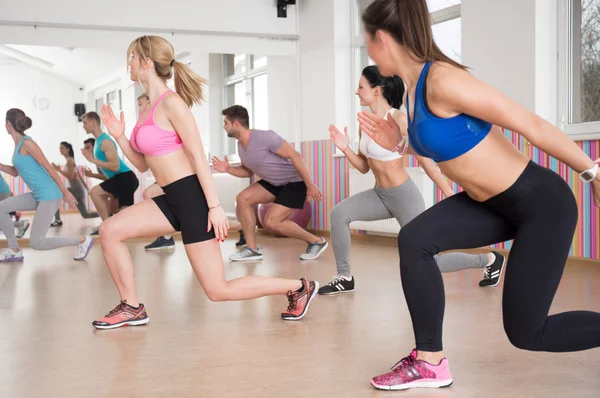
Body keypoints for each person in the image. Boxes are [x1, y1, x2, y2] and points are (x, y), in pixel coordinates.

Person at [357, 0, 600, 391]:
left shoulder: (443, 80)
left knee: (527, 333)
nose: (367, 49)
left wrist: (592, 171)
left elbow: (529, 123)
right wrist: (400, 142)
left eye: (367, 40)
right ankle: (430, 361)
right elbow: (452, 145)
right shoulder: (413, 90)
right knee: (415, 238)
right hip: (492, 203)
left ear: (382, 38)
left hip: (540, 204)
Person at [92, 35, 319, 329]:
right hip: (170, 197)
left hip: (192, 198)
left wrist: (213, 207)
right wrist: (120, 135)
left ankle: (298, 287)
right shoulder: (147, 107)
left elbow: (199, 157)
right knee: (109, 230)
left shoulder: (172, 104)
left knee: (217, 290)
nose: (129, 65)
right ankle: (131, 307)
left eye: (132, 59)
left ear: (146, 62)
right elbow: (142, 164)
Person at [319, 65, 503, 295]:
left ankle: (488, 260)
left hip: (404, 196)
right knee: (338, 214)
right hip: (379, 195)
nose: (357, 92)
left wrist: (448, 192)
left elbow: (424, 158)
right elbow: (365, 167)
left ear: (376, 90)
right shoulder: (365, 123)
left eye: (360, 86)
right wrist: (346, 149)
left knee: (427, 258)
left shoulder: (398, 118)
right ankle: (344, 277)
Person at [212, 105, 327, 261]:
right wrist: (228, 169)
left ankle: (316, 241)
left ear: (236, 124)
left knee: (271, 223)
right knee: (243, 199)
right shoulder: (240, 146)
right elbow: (248, 171)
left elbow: (295, 156)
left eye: (226, 123)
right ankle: (251, 249)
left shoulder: (265, 137)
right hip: (273, 183)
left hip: (293, 182)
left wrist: (310, 185)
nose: (224, 127)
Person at [0, 109, 95, 262]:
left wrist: (65, 192)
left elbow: (49, 168)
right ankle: (14, 249)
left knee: (37, 242)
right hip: (39, 194)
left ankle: (82, 241)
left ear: (8, 124)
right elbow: (15, 172)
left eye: (5, 123)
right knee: (1, 207)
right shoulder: (18, 145)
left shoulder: (27, 143)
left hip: (49, 195)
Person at [80, 111, 140, 234]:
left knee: (94, 192)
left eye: (85, 123)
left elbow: (115, 166)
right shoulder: (97, 142)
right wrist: (92, 175)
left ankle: (106, 227)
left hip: (125, 178)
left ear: (93, 122)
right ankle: (113, 228)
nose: (83, 126)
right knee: (116, 212)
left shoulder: (105, 141)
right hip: (121, 179)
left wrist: (92, 159)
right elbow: (109, 174)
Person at [50, 141, 99, 226]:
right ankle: (106, 214)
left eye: (62, 148)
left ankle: (57, 220)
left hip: (76, 188)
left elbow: (70, 176)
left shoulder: (70, 160)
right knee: (85, 215)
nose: (60, 150)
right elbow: (79, 176)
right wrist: (87, 188)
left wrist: (59, 169)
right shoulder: (71, 160)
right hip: (78, 188)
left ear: (67, 149)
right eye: (59, 148)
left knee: (56, 195)